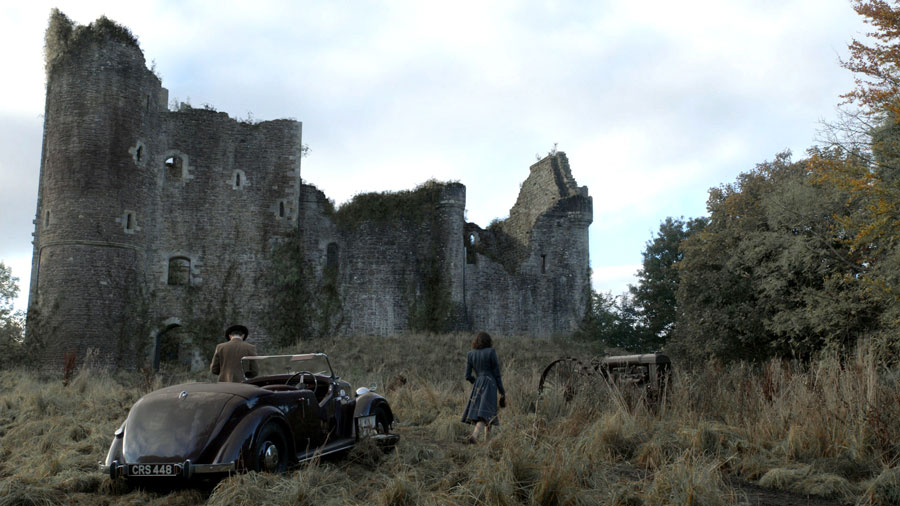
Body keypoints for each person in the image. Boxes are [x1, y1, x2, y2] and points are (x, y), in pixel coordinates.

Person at [461, 331, 506, 443]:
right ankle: (474, 437)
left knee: (486, 412)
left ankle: (487, 442)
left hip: (478, 383)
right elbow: (497, 374)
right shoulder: (491, 352)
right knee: (485, 414)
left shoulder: (470, 354)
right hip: (490, 383)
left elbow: (467, 376)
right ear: (488, 341)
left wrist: (476, 381)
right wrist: (502, 391)